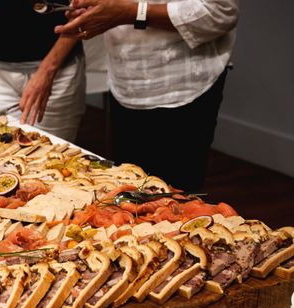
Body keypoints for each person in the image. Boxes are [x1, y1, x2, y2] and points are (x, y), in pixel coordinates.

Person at [56, 0, 239, 191]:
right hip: (125, 85)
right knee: (128, 196)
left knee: (174, 203)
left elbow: (221, 12)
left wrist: (134, 12)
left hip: (181, 91)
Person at [0, 0, 86, 142]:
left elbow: (82, 11)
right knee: (2, 148)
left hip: (57, 75)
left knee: (51, 152)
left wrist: (47, 71)